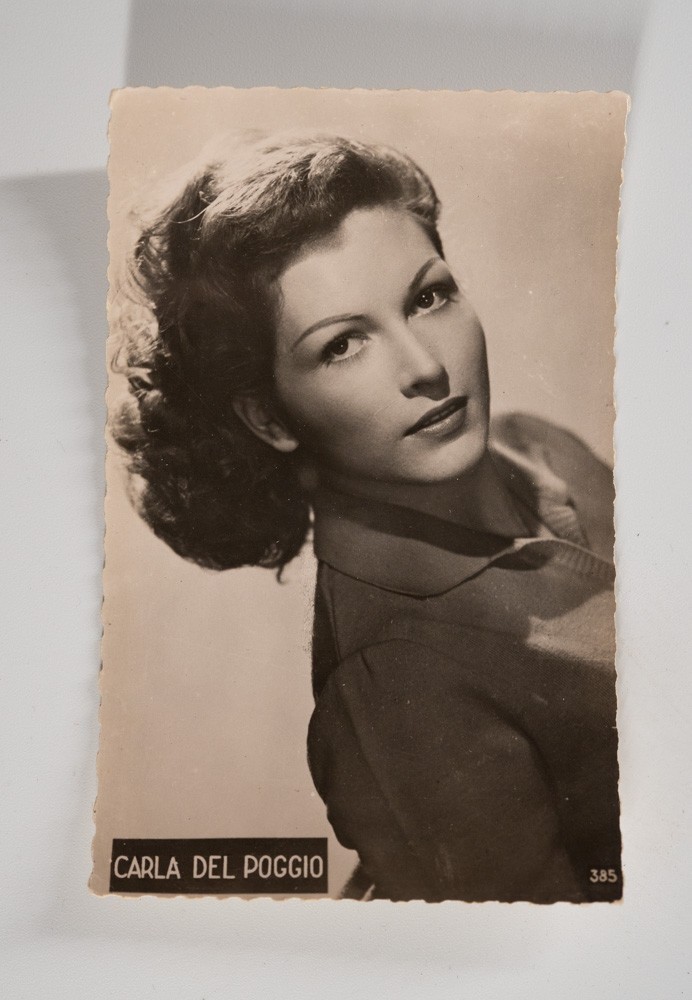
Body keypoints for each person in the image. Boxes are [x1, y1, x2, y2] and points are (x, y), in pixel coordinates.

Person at [113, 132, 621, 903]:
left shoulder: (543, 446)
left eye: (429, 297)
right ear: (269, 418)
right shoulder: (391, 684)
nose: (426, 367)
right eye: (344, 344)